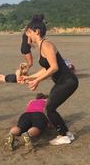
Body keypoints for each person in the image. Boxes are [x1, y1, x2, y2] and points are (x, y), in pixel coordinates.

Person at [26, 14, 78, 145]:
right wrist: (31, 77)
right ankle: (67, 134)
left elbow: (54, 67)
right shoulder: (41, 46)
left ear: (36, 31)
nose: (28, 36)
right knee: (50, 108)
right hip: (63, 82)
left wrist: (37, 81)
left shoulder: (46, 45)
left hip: (68, 81)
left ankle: (63, 135)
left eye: (29, 32)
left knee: (49, 109)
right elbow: (46, 68)